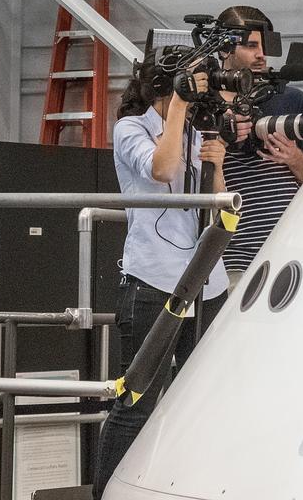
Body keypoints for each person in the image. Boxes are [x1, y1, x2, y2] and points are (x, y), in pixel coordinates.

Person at [93, 51, 231, 498]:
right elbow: (163, 169)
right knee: (136, 400)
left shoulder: (196, 132)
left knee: (201, 396)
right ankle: (107, 491)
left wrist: (218, 163)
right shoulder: (131, 129)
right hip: (154, 278)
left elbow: (221, 208)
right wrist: (177, 106)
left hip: (207, 279)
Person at [216, 6, 303, 286]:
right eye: (251, 46)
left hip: (289, 252)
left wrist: (293, 157)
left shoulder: (290, 99)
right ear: (224, 48)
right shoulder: (202, 104)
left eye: (265, 46)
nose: (261, 55)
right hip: (228, 258)